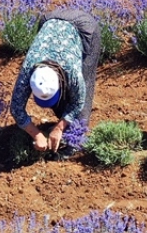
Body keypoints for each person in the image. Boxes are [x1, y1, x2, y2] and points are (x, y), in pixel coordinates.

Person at [10, 8, 101, 155]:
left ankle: (74, 142)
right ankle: (64, 126)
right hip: (49, 21)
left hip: (84, 29)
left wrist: (58, 128)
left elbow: (79, 101)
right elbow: (16, 108)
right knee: (62, 105)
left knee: (84, 87)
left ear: (60, 82)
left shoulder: (72, 72)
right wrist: (37, 135)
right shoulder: (28, 70)